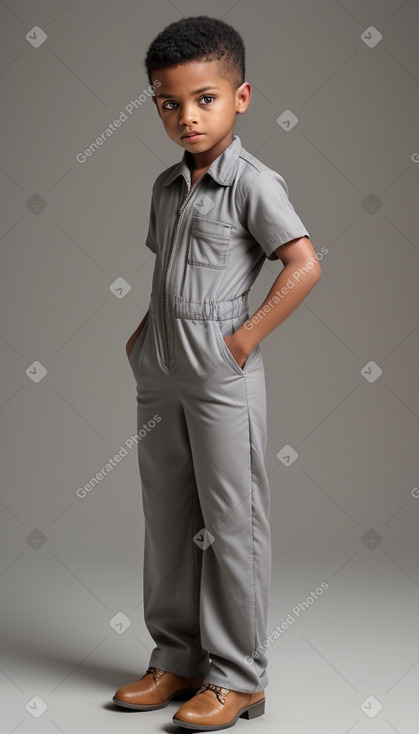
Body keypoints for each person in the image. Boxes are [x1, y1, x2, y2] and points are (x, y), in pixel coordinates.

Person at [112, 14, 322, 732]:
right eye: (169, 102)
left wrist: (240, 343)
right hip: (160, 367)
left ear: (241, 96)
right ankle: (176, 658)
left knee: (232, 521)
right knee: (167, 517)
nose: (186, 116)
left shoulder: (253, 184)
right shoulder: (166, 186)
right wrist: (143, 336)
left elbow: (303, 264)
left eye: (204, 98)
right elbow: (163, 273)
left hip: (218, 368)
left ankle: (238, 678)